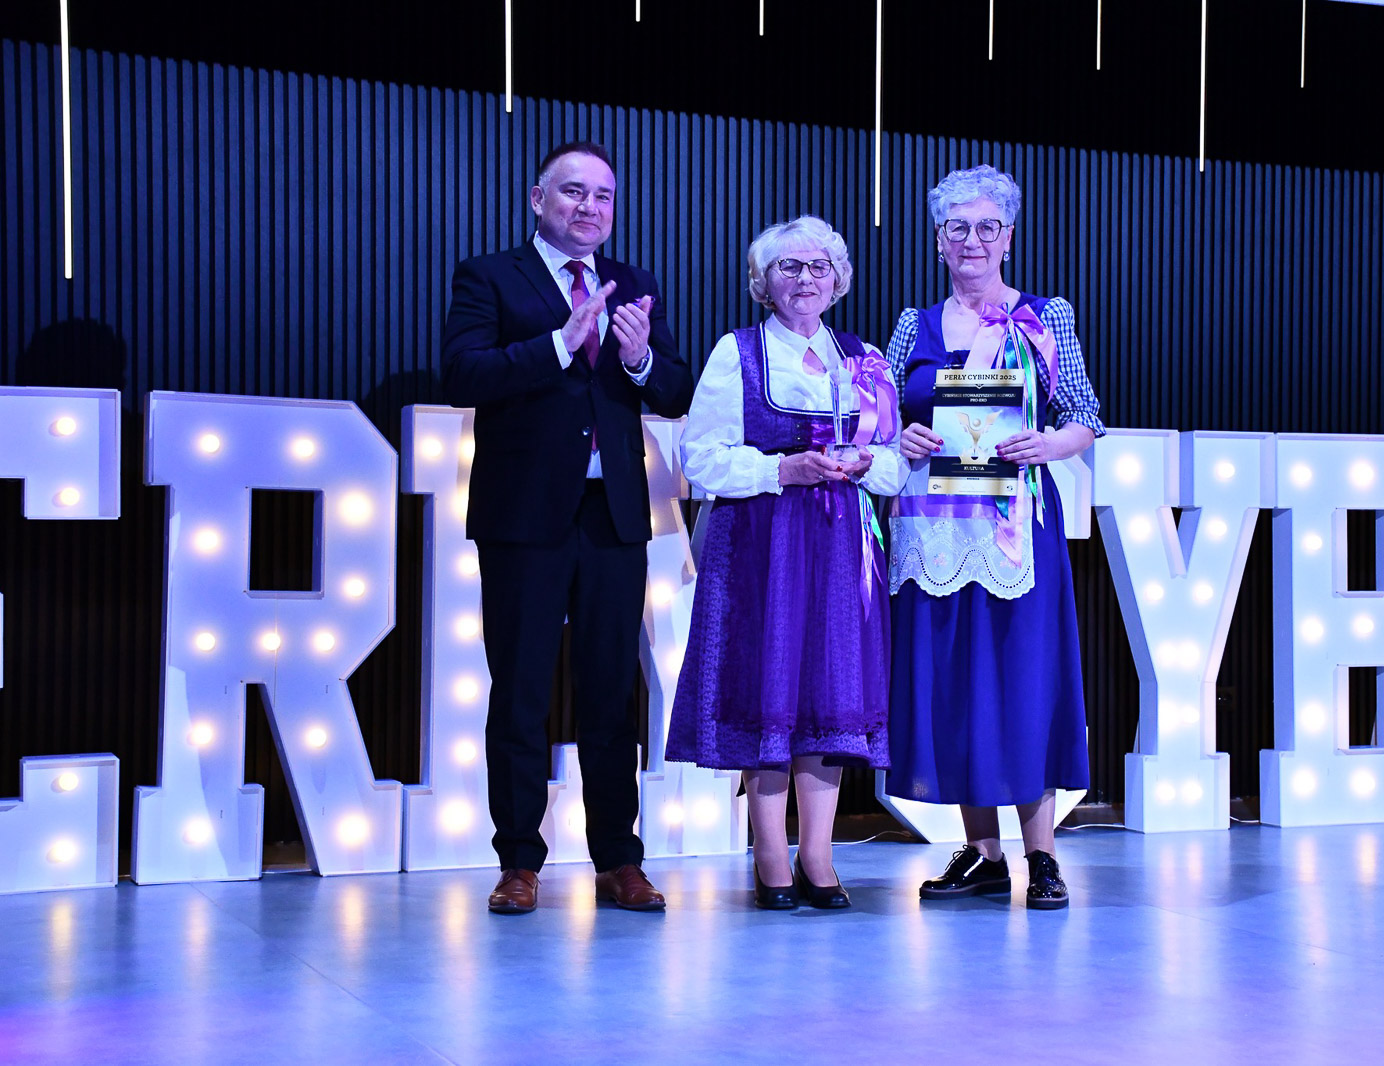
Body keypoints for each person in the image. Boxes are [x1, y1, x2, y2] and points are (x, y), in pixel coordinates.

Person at [441, 142, 694, 915]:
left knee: (611, 692)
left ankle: (619, 860)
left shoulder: (635, 284)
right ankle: (519, 861)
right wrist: (559, 342)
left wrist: (641, 358)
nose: (590, 207)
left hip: (613, 514)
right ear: (537, 198)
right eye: (574, 192)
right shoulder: (490, 276)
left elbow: (676, 391)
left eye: (603, 196)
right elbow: (463, 375)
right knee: (520, 690)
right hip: (524, 514)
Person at [667, 216, 908, 910]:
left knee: (830, 696)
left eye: (818, 266)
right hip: (759, 544)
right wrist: (782, 469)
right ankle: (771, 857)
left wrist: (865, 462)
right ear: (762, 283)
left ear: (839, 280)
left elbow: (895, 464)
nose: (805, 279)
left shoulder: (864, 359)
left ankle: (819, 857)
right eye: (788, 267)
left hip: (840, 547)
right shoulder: (737, 352)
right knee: (767, 691)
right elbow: (700, 457)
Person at [883, 165, 1105, 910]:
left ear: (1008, 237)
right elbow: (882, 417)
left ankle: (1041, 856)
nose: (972, 240)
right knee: (952, 685)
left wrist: (1050, 444)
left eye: (986, 227)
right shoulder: (913, 326)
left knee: (1022, 680)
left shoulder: (1045, 317)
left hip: (1016, 529)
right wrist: (901, 436)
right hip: (934, 532)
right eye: (957, 228)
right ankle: (982, 855)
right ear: (938, 240)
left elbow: (1085, 415)